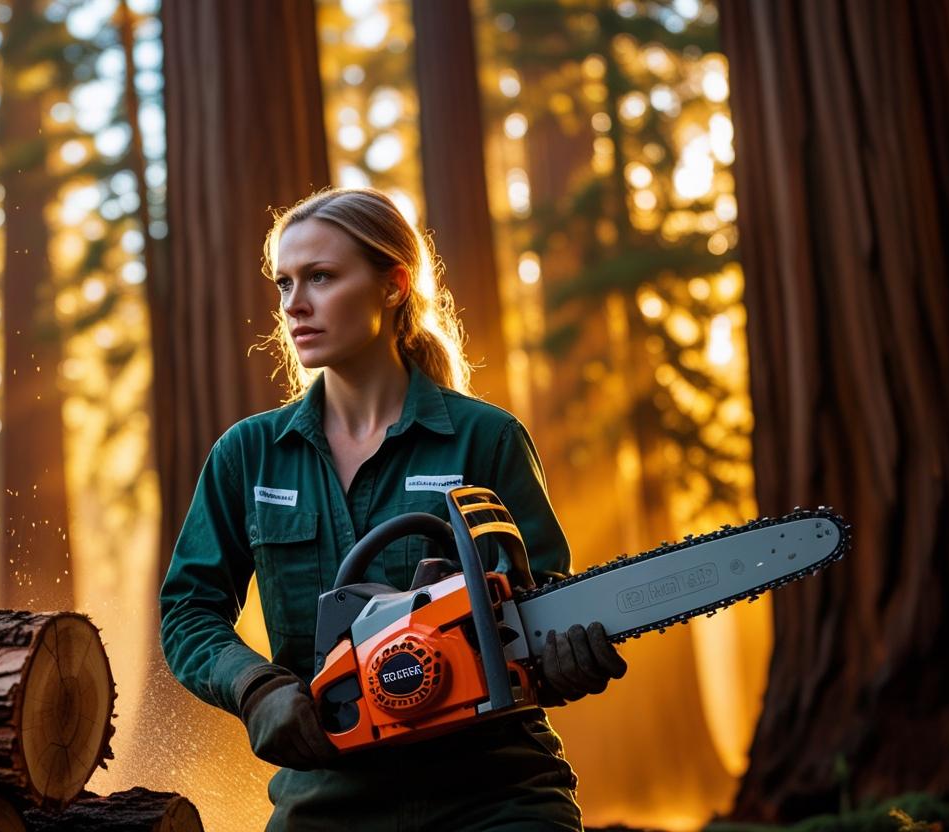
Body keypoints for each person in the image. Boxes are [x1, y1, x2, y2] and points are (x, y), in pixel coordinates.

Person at [159, 188, 627, 831]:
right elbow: (189, 610)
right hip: (327, 791)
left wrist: (566, 662)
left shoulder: (485, 439)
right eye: (285, 283)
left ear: (393, 285)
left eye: (321, 278)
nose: (294, 305)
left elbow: (540, 602)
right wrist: (255, 687)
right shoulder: (250, 455)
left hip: (495, 789)